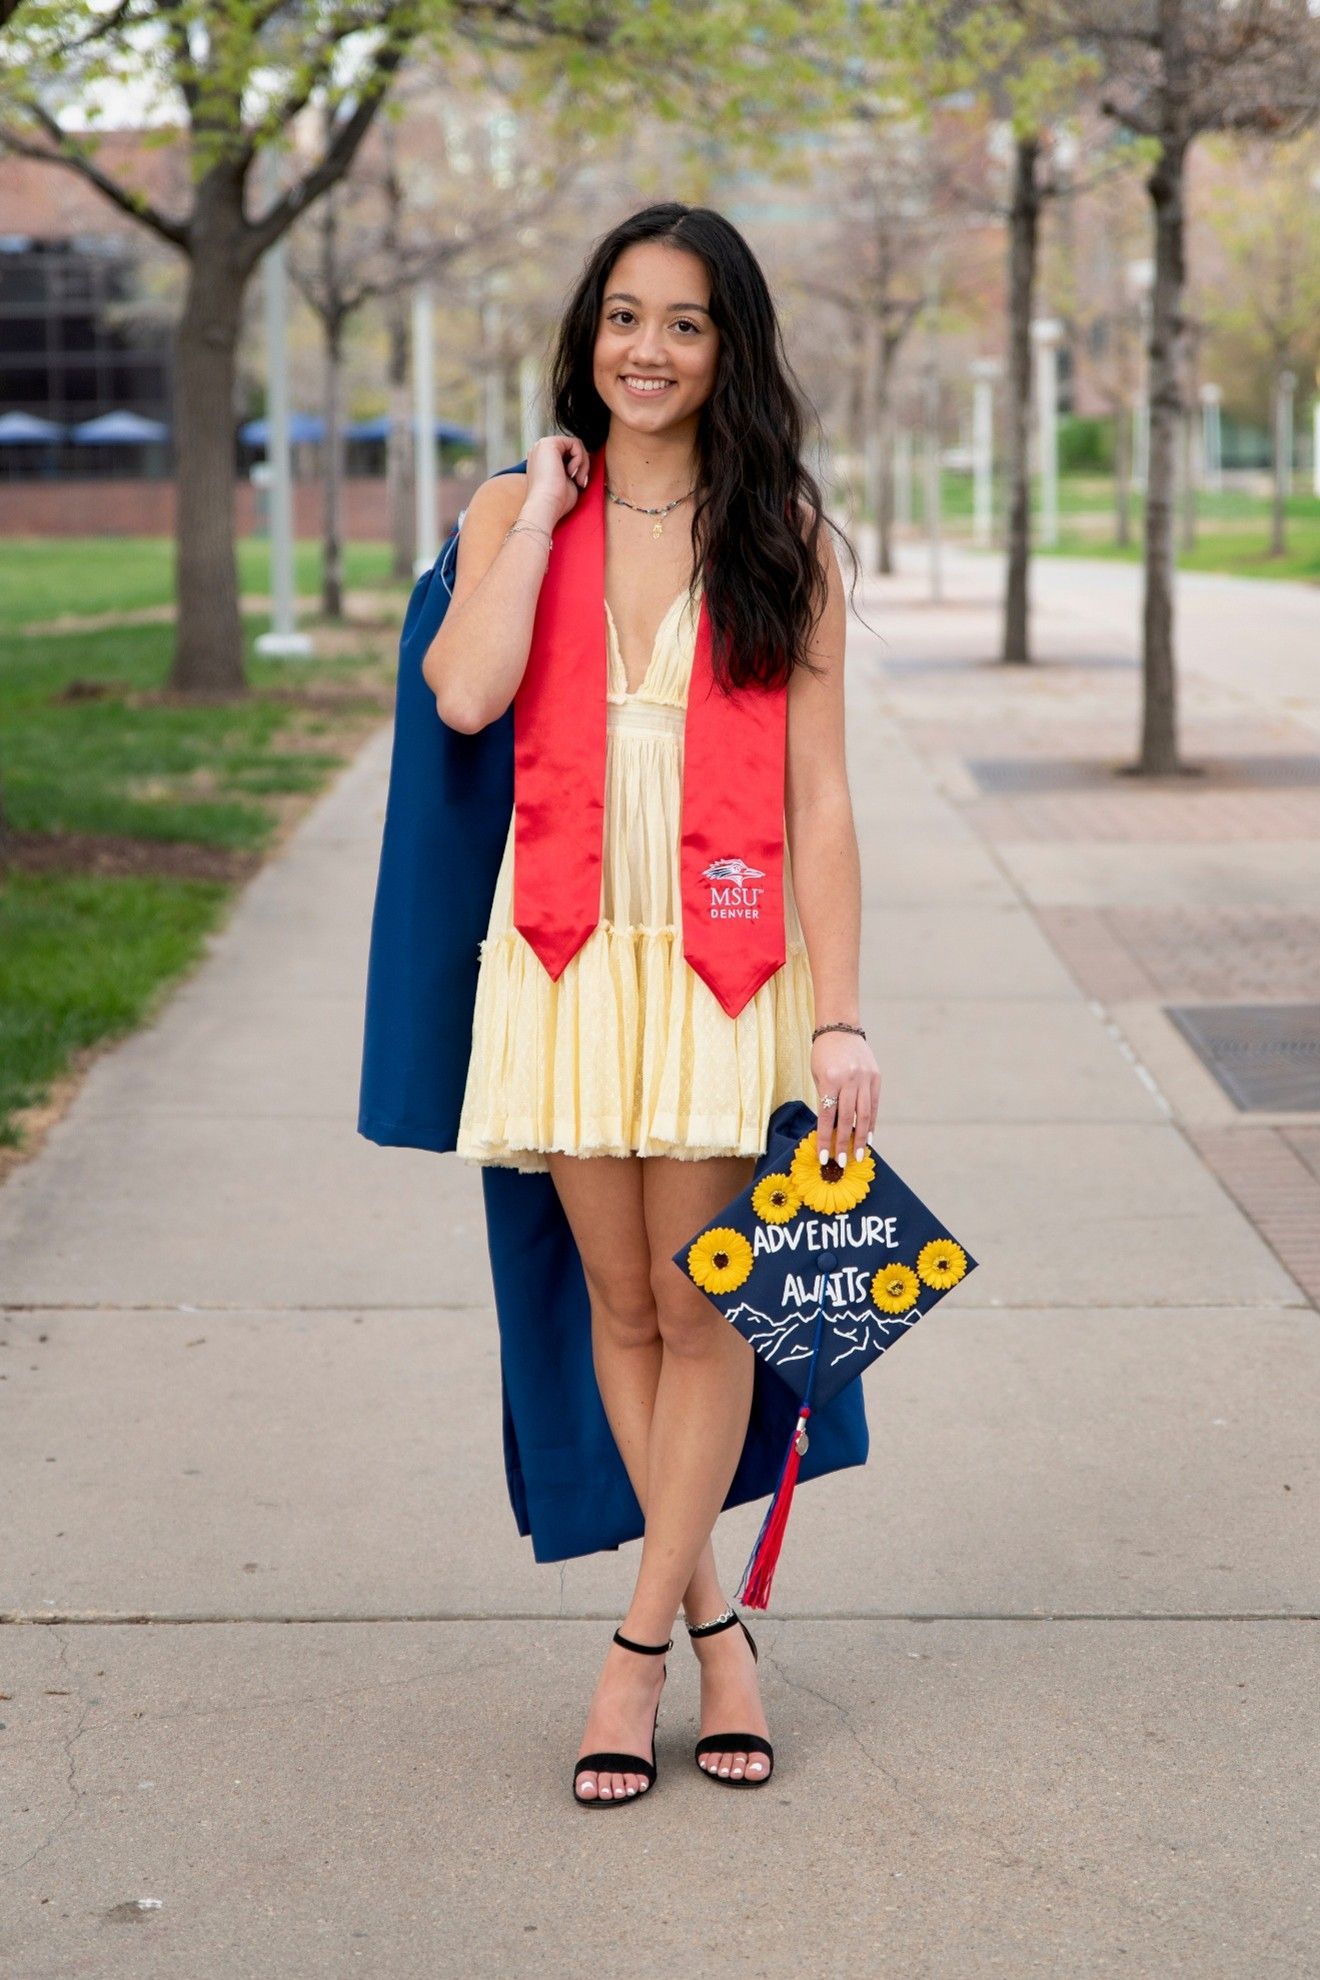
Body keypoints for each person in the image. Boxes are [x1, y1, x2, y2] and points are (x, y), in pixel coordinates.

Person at [420, 203, 880, 1806]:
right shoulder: (512, 510)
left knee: (702, 1308)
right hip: (559, 952)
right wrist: (541, 517)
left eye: (686, 323)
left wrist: (842, 1017)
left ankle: (634, 1656)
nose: (648, 348)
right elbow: (467, 692)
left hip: (719, 961)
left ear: (730, 349)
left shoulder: (782, 536)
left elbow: (821, 799)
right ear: (588, 332)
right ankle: (720, 1626)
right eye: (625, 315)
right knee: (617, 1307)